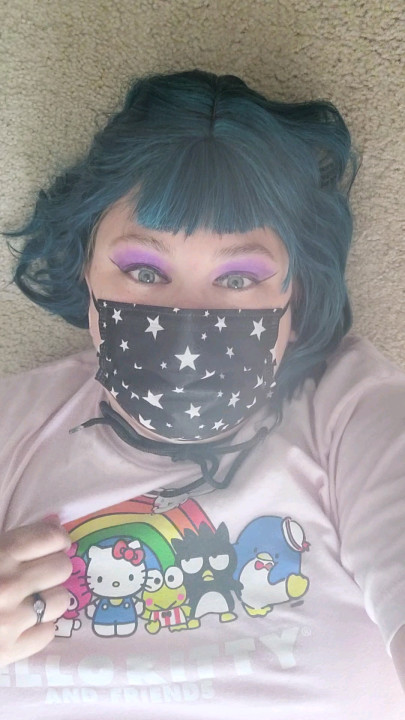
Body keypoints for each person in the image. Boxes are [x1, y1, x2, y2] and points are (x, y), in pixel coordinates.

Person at [0, 69, 404, 719]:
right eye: (143, 270)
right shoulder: (13, 423)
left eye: (238, 279)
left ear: (296, 294)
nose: (186, 318)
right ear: (87, 271)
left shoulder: (350, 413)